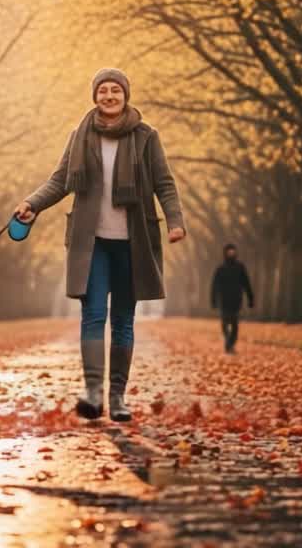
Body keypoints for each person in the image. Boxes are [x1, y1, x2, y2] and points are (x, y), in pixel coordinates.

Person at [15, 68, 186, 422]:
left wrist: (175, 221)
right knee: (93, 315)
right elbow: (60, 180)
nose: (109, 96)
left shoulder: (146, 137)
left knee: (123, 320)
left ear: (125, 95)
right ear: (95, 96)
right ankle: (93, 392)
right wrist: (31, 203)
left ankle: (118, 397)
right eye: (103, 91)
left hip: (132, 243)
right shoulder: (81, 136)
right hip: (91, 244)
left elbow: (164, 184)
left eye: (115, 90)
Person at [210, 244, 253, 354]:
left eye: (232, 251)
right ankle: (228, 341)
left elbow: (246, 283)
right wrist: (213, 300)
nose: (231, 253)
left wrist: (250, 298)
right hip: (224, 300)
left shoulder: (240, 267)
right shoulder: (220, 269)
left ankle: (230, 343)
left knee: (234, 323)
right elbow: (214, 286)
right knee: (224, 323)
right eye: (229, 251)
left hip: (236, 300)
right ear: (225, 253)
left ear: (235, 252)